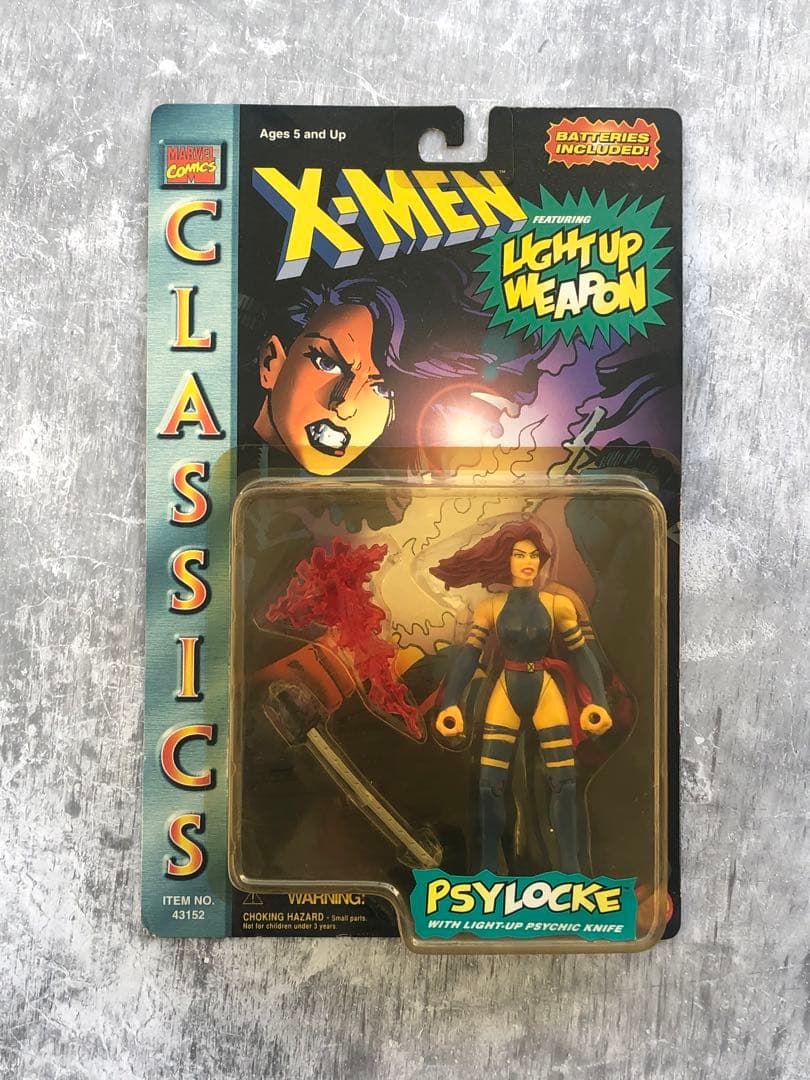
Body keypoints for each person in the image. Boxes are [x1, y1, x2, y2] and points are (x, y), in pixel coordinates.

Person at [430, 521, 614, 874]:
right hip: (506, 688)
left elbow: (581, 654)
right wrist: (450, 702)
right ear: (506, 559)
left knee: (564, 782)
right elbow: (469, 656)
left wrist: (599, 702)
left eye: (533, 555)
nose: (527, 562)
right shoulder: (491, 607)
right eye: (519, 555)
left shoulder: (558, 605)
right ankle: (486, 869)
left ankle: (572, 870)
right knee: (489, 785)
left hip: (544, 688)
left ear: (542, 559)